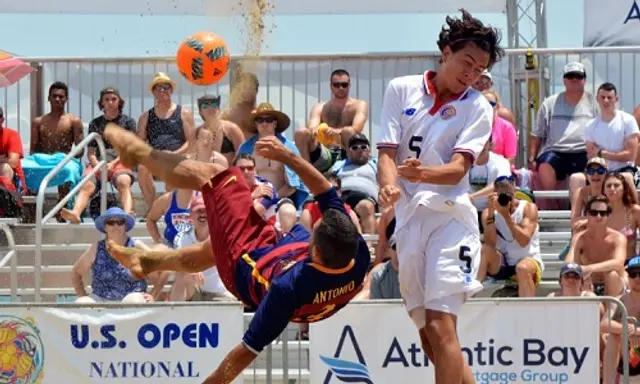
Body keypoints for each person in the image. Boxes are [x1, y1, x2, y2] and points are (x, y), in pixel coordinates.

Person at [101, 123, 370, 384]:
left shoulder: (288, 288)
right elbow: (323, 188)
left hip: (242, 267)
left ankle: (140, 155)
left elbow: (244, 354)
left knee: (215, 174)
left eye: (315, 231)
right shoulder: (355, 251)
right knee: (212, 247)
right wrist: (286, 155)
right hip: (278, 254)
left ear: (318, 252)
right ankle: (146, 261)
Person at [376, 9, 504, 384]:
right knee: (430, 337)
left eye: (480, 69)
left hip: (450, 219)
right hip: (409, 221)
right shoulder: (401, 88)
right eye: (468, 62)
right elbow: (386, 152)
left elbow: (458, 171)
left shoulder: (478, 106)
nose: (472, 73)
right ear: (446, 52)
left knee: (441, 325)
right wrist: (387, 186)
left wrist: (421, 174)